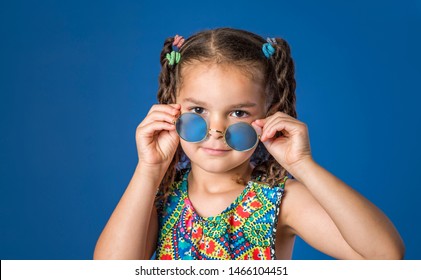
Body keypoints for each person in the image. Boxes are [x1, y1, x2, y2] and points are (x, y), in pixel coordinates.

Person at [93, 28, 405, 260]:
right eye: (198, 110)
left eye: (238, 112)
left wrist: (302, 165)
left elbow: (386, 257)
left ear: (269, 117)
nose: (215, 130)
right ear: (172, 108)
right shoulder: (158, 195)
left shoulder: (282, 201)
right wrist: (149, 170)